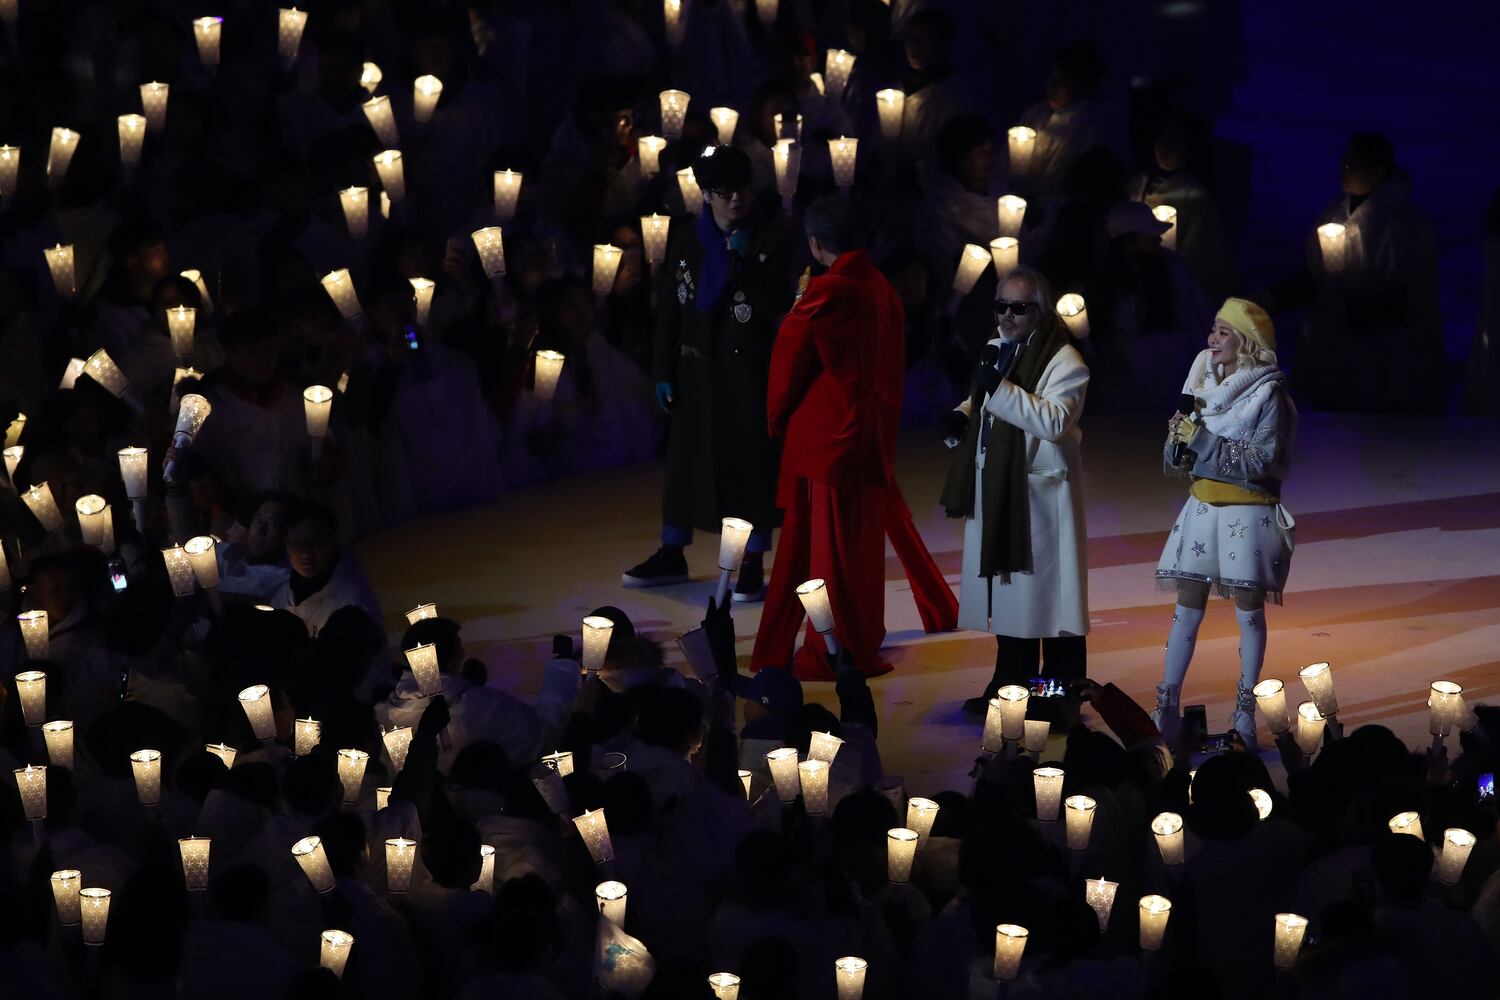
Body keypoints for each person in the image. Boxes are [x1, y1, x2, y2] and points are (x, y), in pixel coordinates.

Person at [750, 197, 958, 679]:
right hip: (869, 430)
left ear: (816, 244)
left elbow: (790, 346)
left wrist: (777, 414)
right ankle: (861, 633)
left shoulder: (830, 291)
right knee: (856, 546)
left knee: (826, 553)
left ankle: (835, 646)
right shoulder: (881, 286)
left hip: (829, 437)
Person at [623, 145, 794, 600]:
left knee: (748, 466)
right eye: (723, 191)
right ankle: (672, 549)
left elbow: (778, 306)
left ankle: (753, 558)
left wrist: (744, 264)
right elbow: (671, 315)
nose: (735, 199)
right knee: (686, 464)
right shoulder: (687, 238)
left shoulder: (771, 240)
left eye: (741, 189)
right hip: (696, 372)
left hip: (747, 375)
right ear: (706, 193)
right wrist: (663, 370)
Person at [939, 268, 1090, 717]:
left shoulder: (1067, 362)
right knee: (1012, 600)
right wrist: (962, 416)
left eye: (1017, 307)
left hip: (1041, 501)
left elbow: (1054, 421)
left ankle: (1055, 702)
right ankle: (1010, 687)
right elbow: (984, 398)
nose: (1005, 316)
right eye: (1000, 305)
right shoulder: (1002, 348)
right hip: (1002, 492)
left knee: (1051, 610)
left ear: (1040, 312)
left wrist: (995, 391)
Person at [1151, 298, 1297, 747]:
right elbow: (1181, 465)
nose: (1212, 340)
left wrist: (1203, 441)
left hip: (1247, 512)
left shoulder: (1268, 394)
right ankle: (1167, 703)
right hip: (1202, 506)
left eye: (1223, 332)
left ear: (1246, 342)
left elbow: (1260, 461)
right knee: (1186, 600)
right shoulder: (1204, 385)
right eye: (1212, 330)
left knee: (1248, 607)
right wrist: (1177, 443)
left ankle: (1244, 708)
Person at [1266, 132, 1443, 412]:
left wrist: (1356, 308)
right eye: (1344, 161)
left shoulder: (1407, 225)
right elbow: (1315, 273)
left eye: (1352, 164)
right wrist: (1275, 298)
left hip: (1381, 352)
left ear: (1377, 173)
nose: (1343, 168)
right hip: (1332, 342)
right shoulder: (1334, 213)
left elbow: (1418, 295)